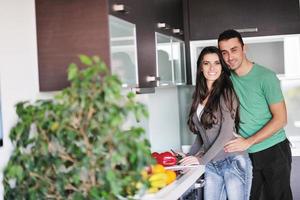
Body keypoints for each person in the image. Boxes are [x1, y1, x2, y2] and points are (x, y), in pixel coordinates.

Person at [218, 29, 293, 200]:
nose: (230, 57)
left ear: (244, 49)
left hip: (273, 150)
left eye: (234, 50)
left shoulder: (266, 77)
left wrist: (249, 141)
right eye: (225, 53)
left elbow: (281, 119)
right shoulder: (227, 79)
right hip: (246, 154)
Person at [180, 46, 252, 200]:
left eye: (217, 63)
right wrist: (187, 159)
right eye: (206, 63)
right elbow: (202, 136)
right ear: (200, 67)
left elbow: (226, 134)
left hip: (233, 161)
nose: (212, 68)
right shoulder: (199, 96)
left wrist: (200, 160)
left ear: (222, 66)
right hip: (211, 162)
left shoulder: (226, 92)